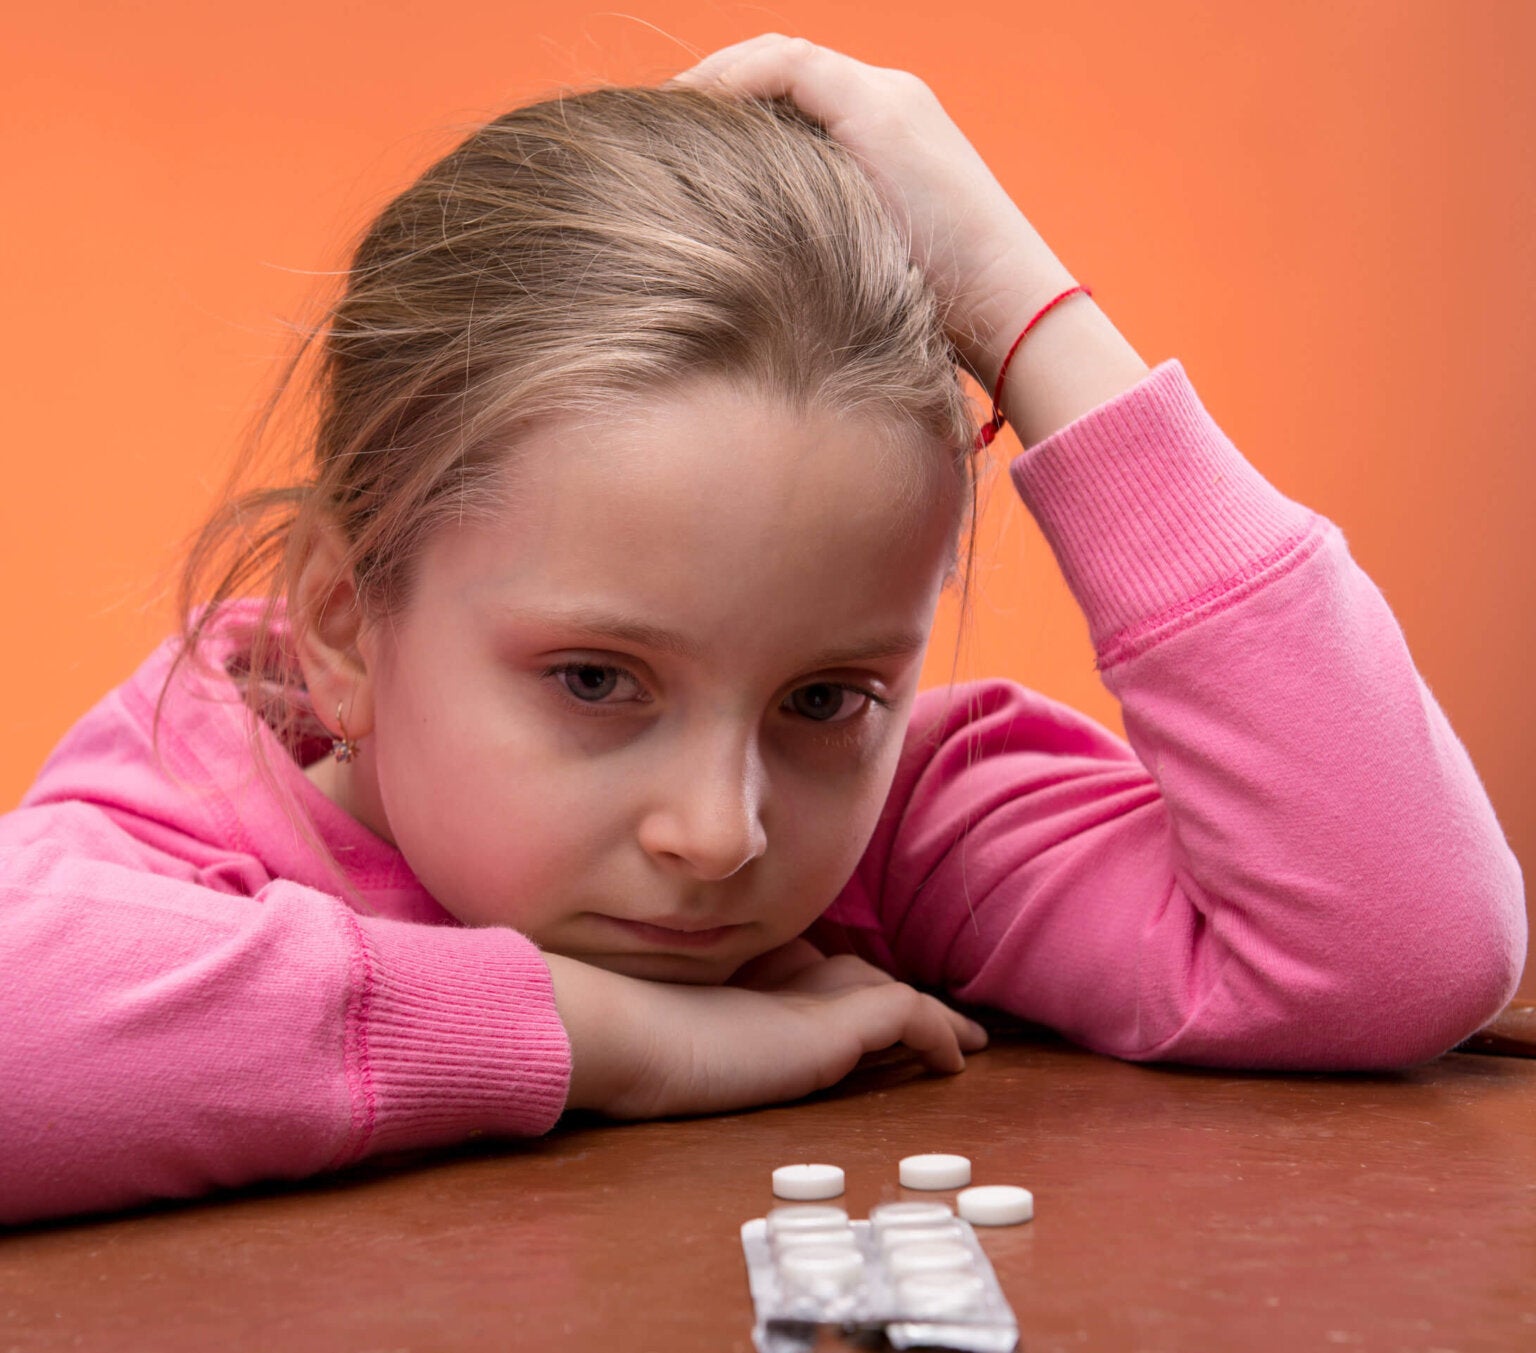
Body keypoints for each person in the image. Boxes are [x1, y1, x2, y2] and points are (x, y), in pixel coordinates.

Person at [0, 35, 1523, 1227]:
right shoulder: (191, 805)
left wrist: (1026, 310)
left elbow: (1401, 946)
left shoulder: (910, 820)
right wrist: (617, 1041)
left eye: (823, 697)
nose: (721, 832)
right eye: (599, 680)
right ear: (343, 622)